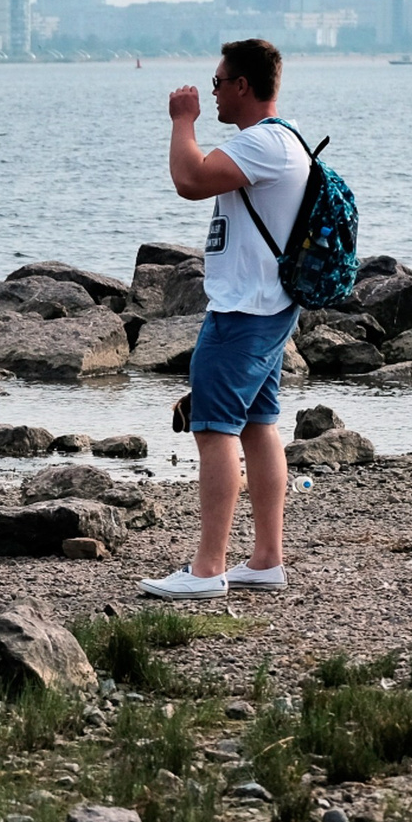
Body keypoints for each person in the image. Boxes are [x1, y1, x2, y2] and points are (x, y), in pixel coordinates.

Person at [141, 37, 312, 601]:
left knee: (214, 431)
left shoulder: (263, 143)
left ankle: (207, 568)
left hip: (243, 310)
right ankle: (265, 560)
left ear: (242, 85)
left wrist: (181, 121)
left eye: (218, 82)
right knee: (259, 425)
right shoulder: (283, 141)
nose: (212, 92)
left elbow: (189, 180)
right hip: (267, 305)